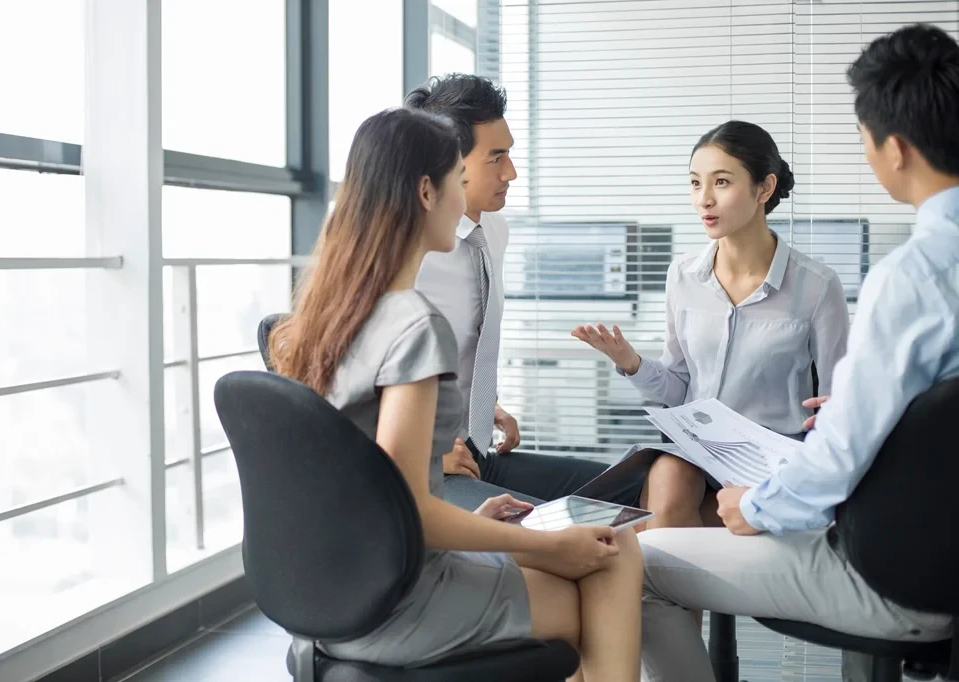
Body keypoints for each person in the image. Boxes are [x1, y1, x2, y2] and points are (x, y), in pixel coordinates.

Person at [268, 107, 643, 680]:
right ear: (426, 190)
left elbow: (368, 485)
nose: (461, 197)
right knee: (614, 558)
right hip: (399, 601)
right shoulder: (413, 324)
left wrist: (478, 524)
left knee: (569, 545)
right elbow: (409, 511)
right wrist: (552, 548)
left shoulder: (325, 316)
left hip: (326, 596)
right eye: (454, 182)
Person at [636, 23, 959, 682]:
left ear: (894, 148)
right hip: (936, 551)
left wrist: (752, 507)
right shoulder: (684, 274)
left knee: (630, 566)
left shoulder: (913, 276)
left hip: (897, 575)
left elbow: (840, 455)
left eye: (863, 139)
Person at [573, 120, 850, 530]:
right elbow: (680, 388)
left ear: (764, 188)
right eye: (694, 183)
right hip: (696, 452)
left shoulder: (817, 287)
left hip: (770, 464)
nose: (704, 200)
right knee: (668, 484)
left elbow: (836, 403)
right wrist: (631, 363)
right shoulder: (682, 275)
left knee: (658, 528)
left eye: (721, 182)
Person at [405, 73, 648, 512]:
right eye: (495, 158)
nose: (511, 172)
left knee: (641, 486)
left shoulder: (493, 231)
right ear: (447, 163)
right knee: (574, 532)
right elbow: (346, 388)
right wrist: (424, 454)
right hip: (427, 468)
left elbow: (461, 344)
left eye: (510, 154)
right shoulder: (407, 248)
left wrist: (484, 407)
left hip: (478, 451)